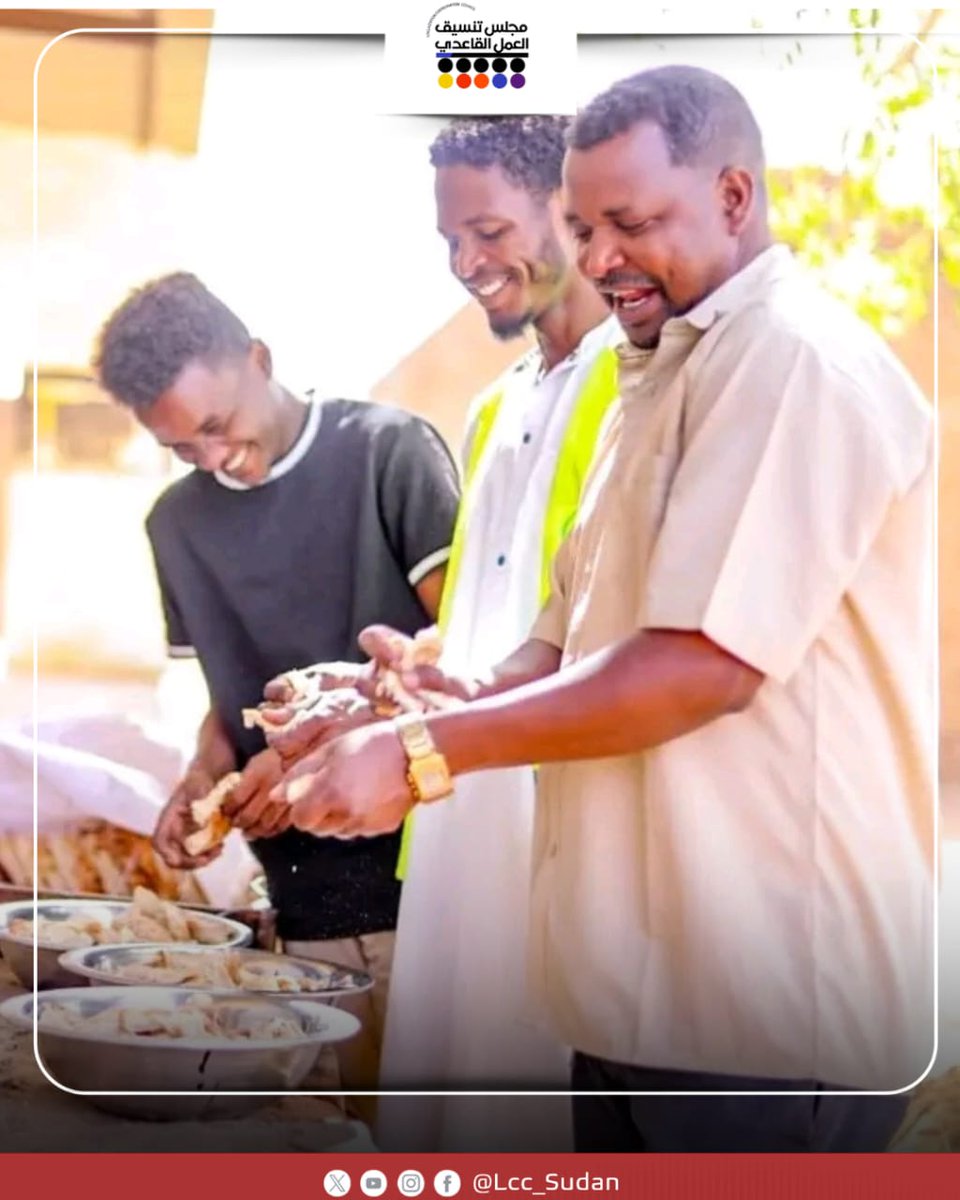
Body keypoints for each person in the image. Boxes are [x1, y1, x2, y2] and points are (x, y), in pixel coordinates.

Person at [269, 66, 935, 1152]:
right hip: (635, 993)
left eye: (631, 222)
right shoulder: (660, 372)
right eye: (584, 226)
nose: (601, 257)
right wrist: (447, 690)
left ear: (732, 196)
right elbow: (567, 633)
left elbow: (697, 667)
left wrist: (423, 754)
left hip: (763, 1012)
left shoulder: (793, 363)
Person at [266, 115, 622, 1152]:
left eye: (488, 230)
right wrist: (362, 690)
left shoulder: (638, 386)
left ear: (570, 206)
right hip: (456, 831)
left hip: (557, 845)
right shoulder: (494, 404)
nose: (468, 265)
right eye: (449, 244)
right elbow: (468, 634)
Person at [91, 272, 460, 1122]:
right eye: (184, 449)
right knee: (325, 1143)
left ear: (258, 359)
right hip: (298, 910)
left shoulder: (389, 452)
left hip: (431, 893)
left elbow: (461, 666)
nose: (214, 460)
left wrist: (313, 758)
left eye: (217, 426)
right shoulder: (175, 525)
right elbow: (229, 704)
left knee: (441, 1147)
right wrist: (200, 781)